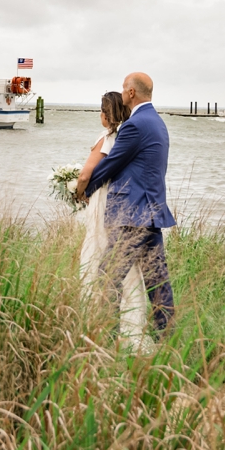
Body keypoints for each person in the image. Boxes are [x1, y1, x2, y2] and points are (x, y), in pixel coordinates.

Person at [78, 71, 175, 336]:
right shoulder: (157, 122)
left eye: (123, 88)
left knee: (108, 276)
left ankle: (108, 335)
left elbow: (112, 162)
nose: (121, 93)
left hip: (132, 213)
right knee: (157, 281)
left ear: (131, 92)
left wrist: (85, 189)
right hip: (152, 211)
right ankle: (165, 337)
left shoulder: (135, 124)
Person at [75, 90, 148, 341]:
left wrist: (78, 191)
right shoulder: (129, 136)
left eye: (101, 111)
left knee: (97, 250)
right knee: (122, 260)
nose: (100, 116)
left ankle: (96, 314)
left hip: (104, 200)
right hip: (123, 202)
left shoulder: (106, 138)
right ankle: (130, 320)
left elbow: (85, 174)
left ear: (107, 115)